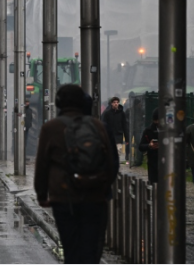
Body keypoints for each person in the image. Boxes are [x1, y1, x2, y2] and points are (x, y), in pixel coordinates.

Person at [34, 85, 115, 264]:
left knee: (71, 249)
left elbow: (42, 164)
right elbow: (110, 162)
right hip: (94, 196)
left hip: (64, 197)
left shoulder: (51, 128)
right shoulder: (98, 126)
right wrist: (102, 188)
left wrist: (42, 194)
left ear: (59, 103)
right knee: (91, 250)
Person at [101, 96, 129, 165]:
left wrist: (127, 138)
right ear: (111, 103)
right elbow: (103, 125)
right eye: (114, 102)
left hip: (118, 135)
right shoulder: (106, 113)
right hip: (109, 136)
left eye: (117, 102)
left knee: (118, 151)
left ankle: (116, 166)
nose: (116, 104)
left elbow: (124, 125)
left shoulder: (122, 113)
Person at [138, 108, 160, 184]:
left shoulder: (169, 130)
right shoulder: (148, 130)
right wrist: (149, 145)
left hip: (166, 162)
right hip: (153, 162)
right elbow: (141, 146)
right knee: (155, 185)